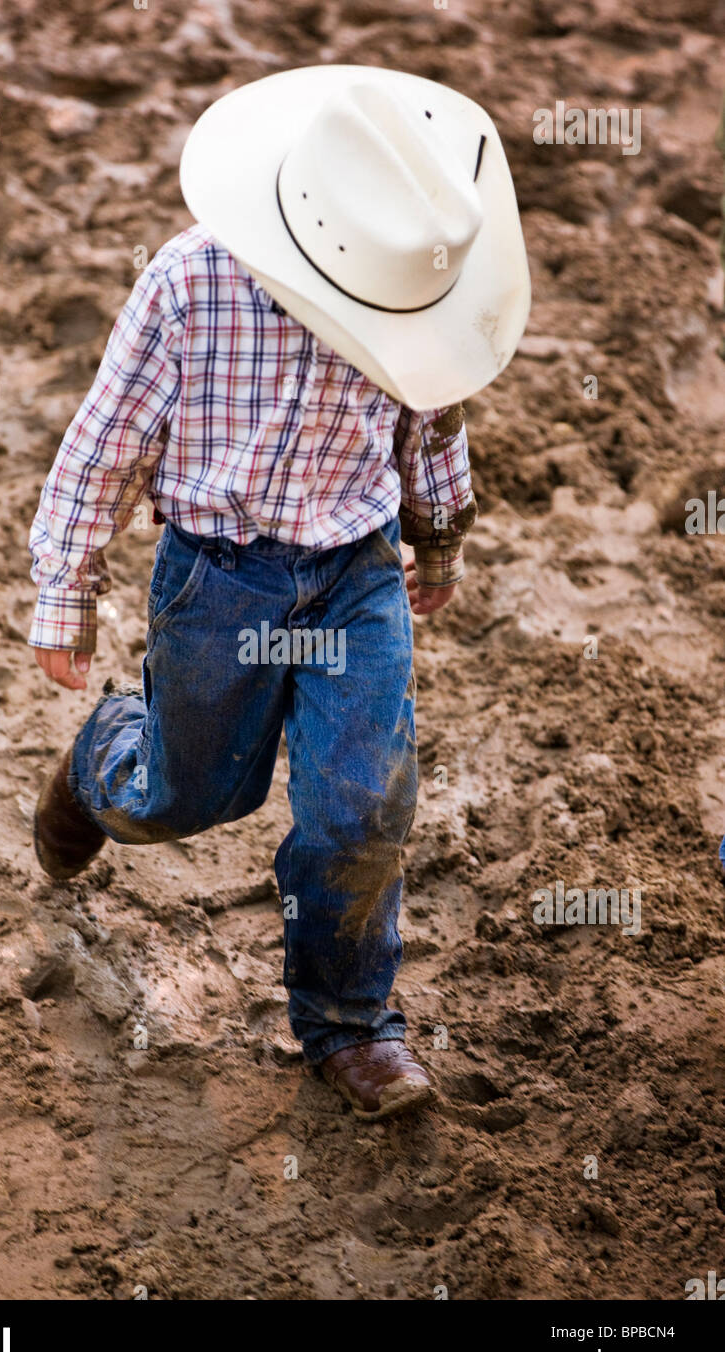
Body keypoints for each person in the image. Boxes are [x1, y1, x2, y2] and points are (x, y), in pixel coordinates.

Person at [28, 65, 530, 1120]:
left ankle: (349, 1024)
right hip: (220, 577)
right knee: (190, 793)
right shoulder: (189, 281)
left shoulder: (411, 282)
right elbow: (104, 446)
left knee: (361, 808)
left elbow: (431, 419)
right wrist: (63, 589)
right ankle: (98, 762)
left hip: (355, 574)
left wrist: (435, 540)